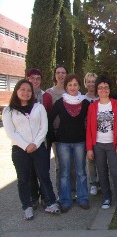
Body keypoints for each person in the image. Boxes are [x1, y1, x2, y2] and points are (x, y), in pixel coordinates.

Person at [3, 79, 60, 220]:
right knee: (24, 179)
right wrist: (25, 145)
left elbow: (44, 127)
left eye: (29, 90)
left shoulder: (38, 107)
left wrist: (35, 143)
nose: (26, 93)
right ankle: (27, 206)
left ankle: (50, 202)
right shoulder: (9, 110)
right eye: (22, 89)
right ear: (16, 91)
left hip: (38, 147)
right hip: (19, 150)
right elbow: (11, 132)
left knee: (44, 176)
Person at [49, 75, 90, 213]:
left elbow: (90, 123)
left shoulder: (85, 103)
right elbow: (49, 119)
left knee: (81, 172)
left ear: (79, 86)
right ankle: (65, 200)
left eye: (75, 84)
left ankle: (83, 199)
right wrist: (53, 137)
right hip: (63, 143)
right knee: (64, 173)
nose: (72, 87)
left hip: (80, 142)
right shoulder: (60, 102)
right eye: (70, 85)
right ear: (66, 86)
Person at [86, 75, 117, 214]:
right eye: (100, 88)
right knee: (102, 173)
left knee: (116, 173)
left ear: (110, 89)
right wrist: (89, 148)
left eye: (106, 87)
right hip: (98, 145)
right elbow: (89, 129)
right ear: (97, 90)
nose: (103, 90)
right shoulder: (92, 106)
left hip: (113, 145)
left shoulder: (116, 104)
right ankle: (106, 198)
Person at [46, 65, 76, 198]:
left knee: (74, 164)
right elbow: (47, 115)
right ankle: (61, 192)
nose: (61, 75)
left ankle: (74, 191)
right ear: (54, 75)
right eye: (58, 72)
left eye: (63, 72)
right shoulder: (49, 93)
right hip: (57, 134)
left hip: (72, 132)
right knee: (60, 165)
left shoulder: (71, 91)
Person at [26, 68, 53, 209]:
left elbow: (48, 118)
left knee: (43, 170)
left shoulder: (46, 97)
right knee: (30, 170)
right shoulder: (22, 96)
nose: (35, 81)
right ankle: (33, 197)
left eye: (38, 78)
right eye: (32, 78)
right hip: (26, 141)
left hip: (43, 140)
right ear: (27, 78)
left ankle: (45, 197)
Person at [83, 72, 100, 196]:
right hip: (86, 133)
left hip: (100, 133)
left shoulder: (102, 97)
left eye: (93, 81)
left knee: (101, 158)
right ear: (85, 83)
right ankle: (93, 183)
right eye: (88, 81)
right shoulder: (82, 99)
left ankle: (101, 181)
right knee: (90, 159)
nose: (91, 84)